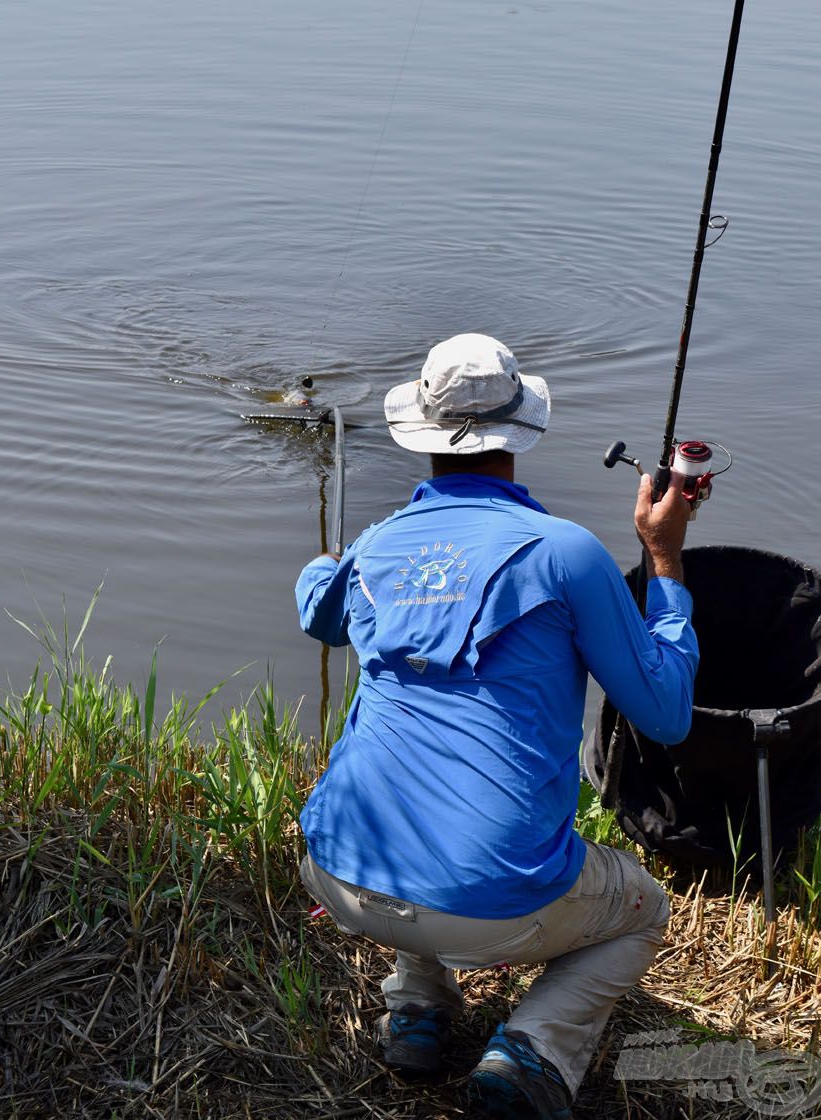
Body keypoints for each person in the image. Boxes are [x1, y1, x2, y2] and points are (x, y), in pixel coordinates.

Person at [295, 333, 698, 1120]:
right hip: (490, 904)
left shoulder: (378, 546)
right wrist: (664, 561)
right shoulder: (566, 554)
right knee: (644, 908)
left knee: (419, 780)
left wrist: (333, 560)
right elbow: (668, 715)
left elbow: (319, 612)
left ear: (422, 435)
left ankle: (418, 1008)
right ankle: (533, 1052)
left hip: (338, 869)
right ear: (522, 433)